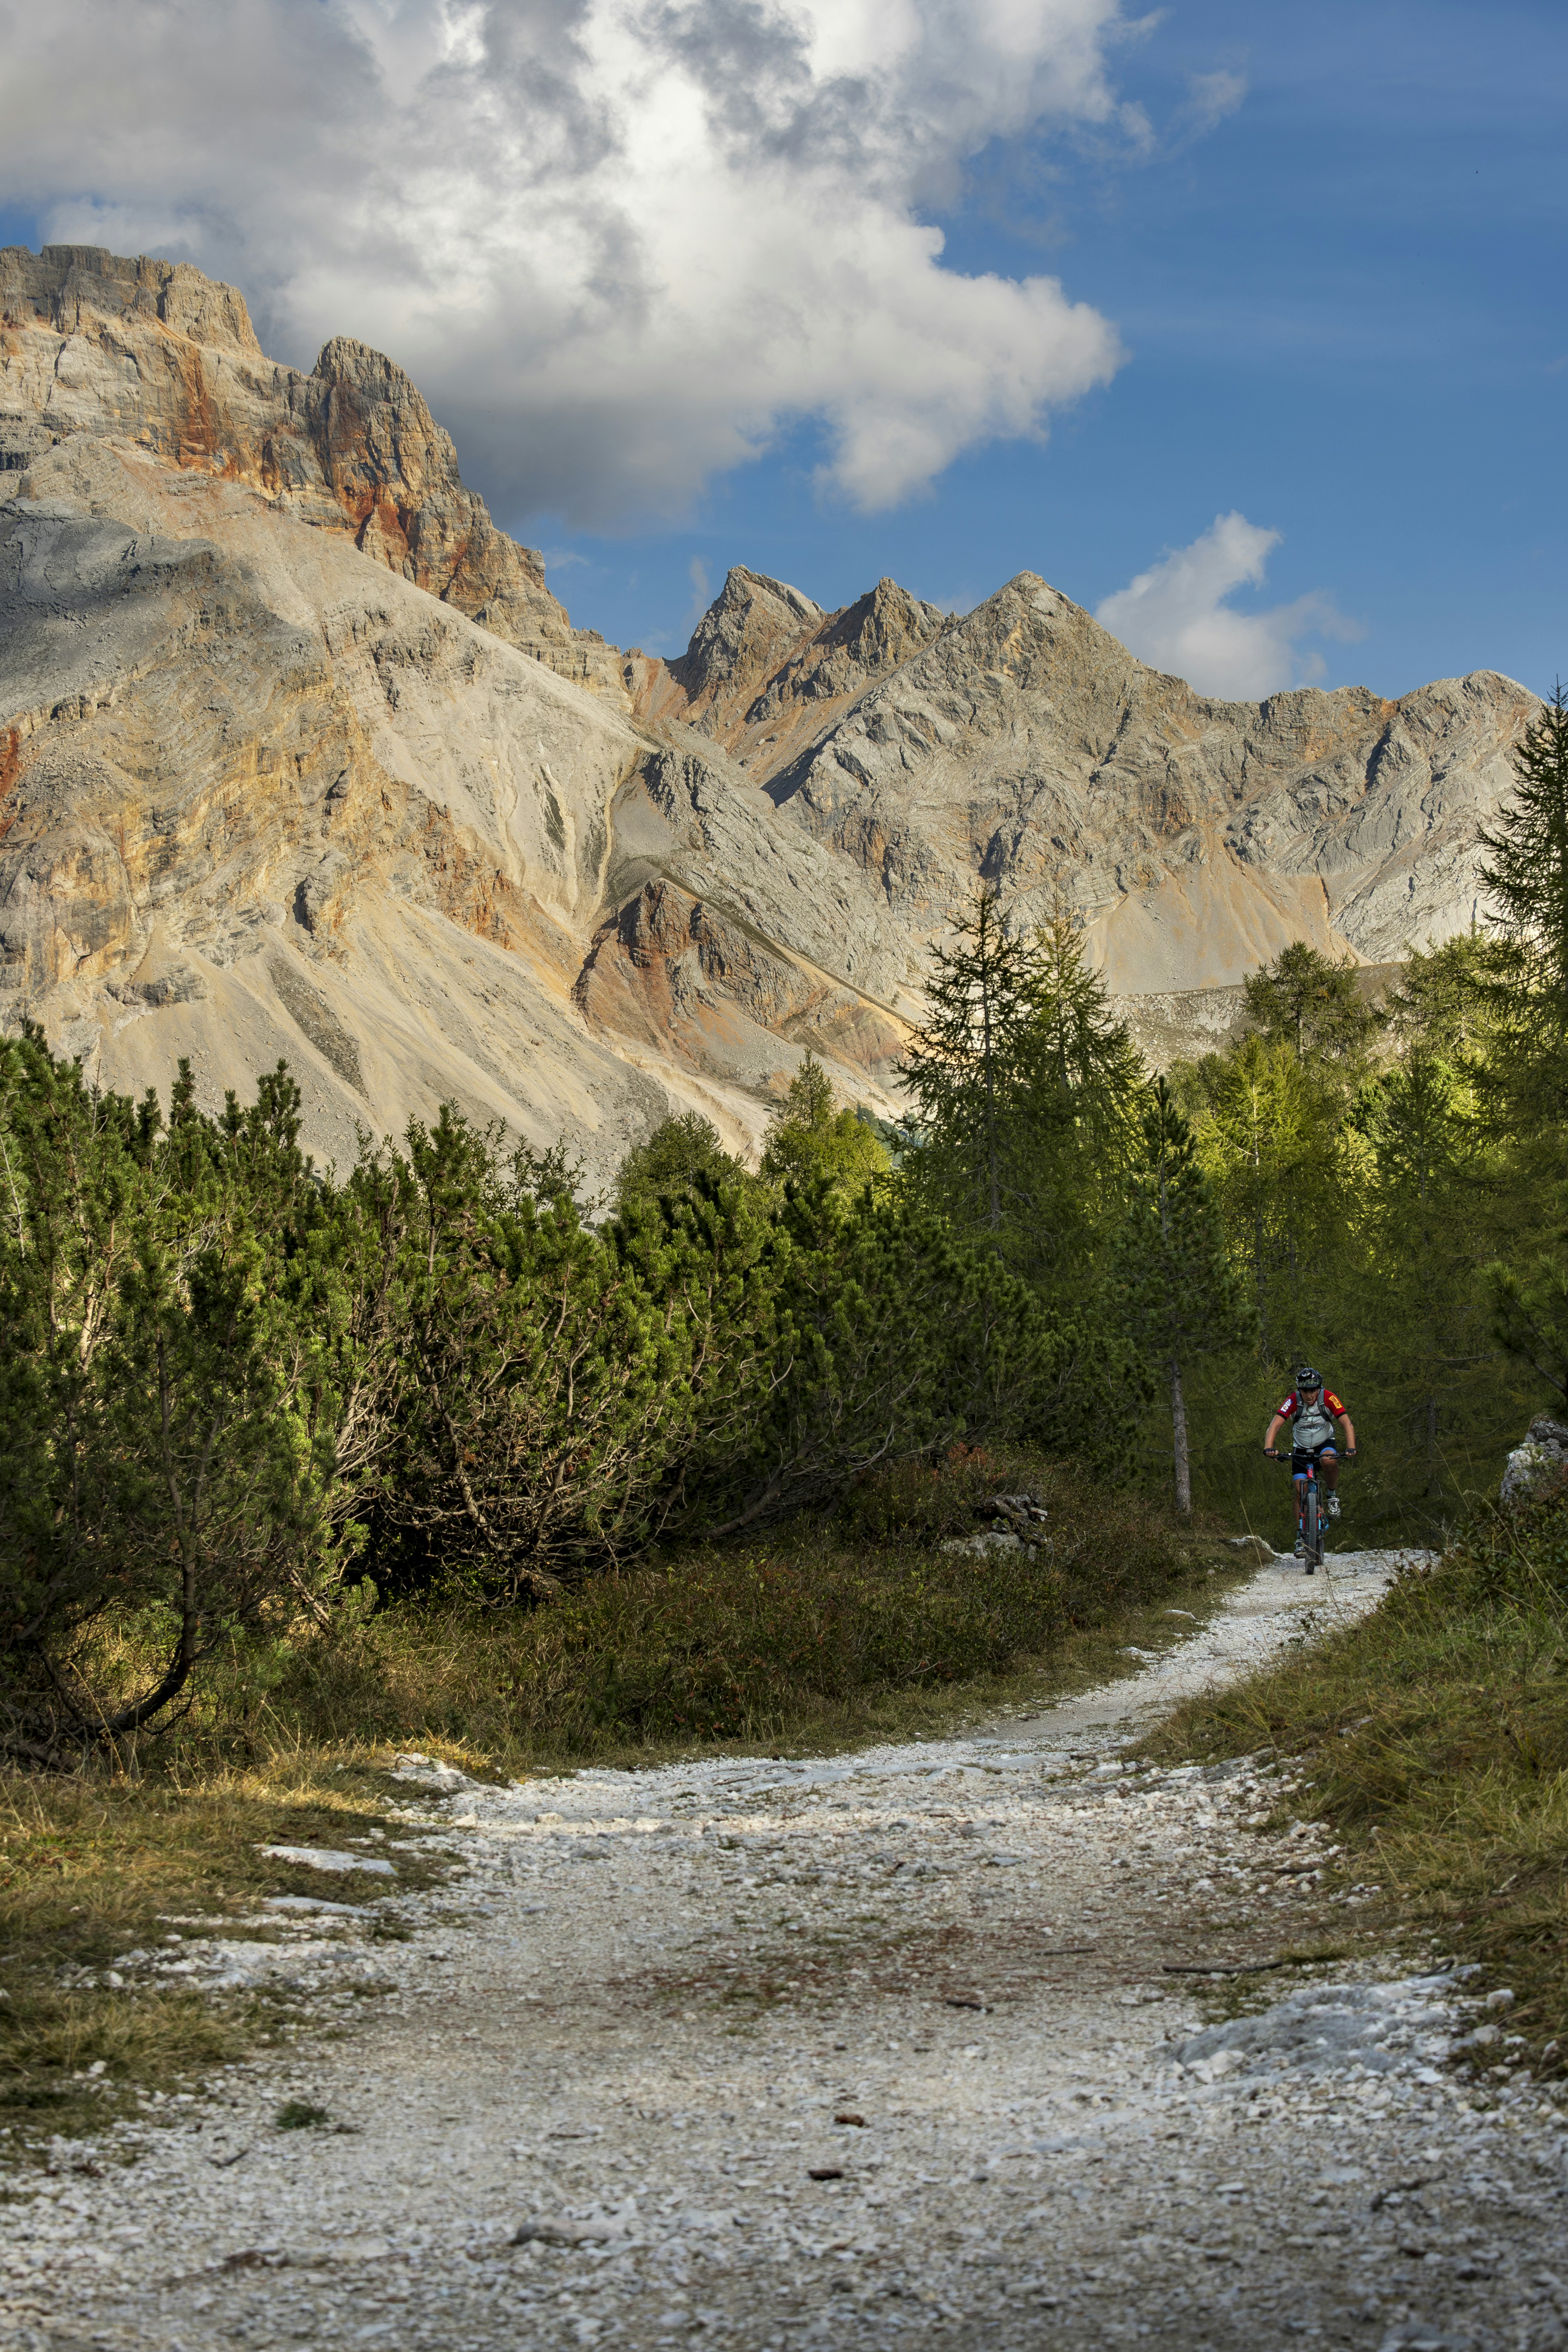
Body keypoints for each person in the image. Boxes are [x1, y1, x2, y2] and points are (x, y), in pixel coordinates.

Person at [1263, 1368, 1357, 1561]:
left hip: (1325, 1444)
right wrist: (1269, 1448)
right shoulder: (1293, 1401)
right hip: (1302, 1448)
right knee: (1299, 1489)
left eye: (1313, 1390)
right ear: (1299, 1390)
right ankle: (1300, 1536)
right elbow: (1275, 1425)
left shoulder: (1329, 1398)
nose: (1309, 1395)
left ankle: (1331, 1496)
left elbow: (1347, 1424)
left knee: (1328, 1459)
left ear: (1319, 1388)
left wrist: (1351, 1448)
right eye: (1305, 1391)